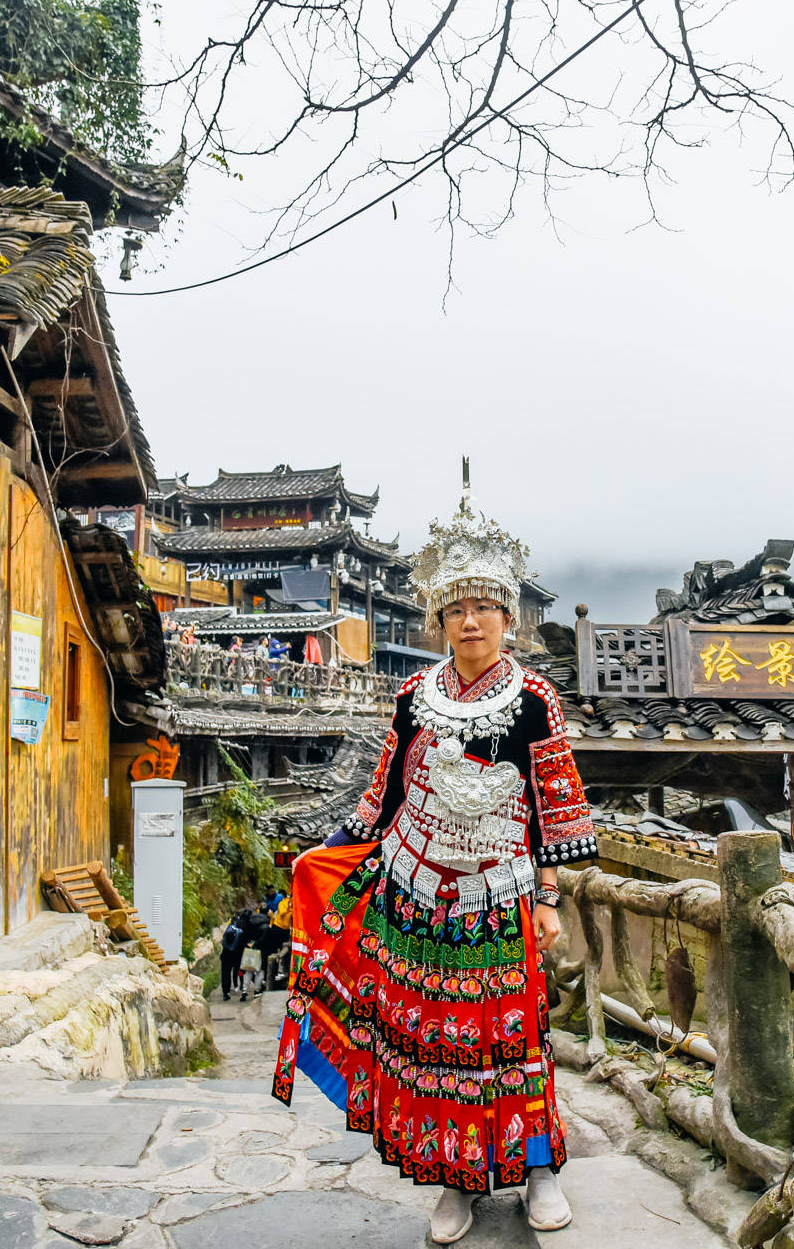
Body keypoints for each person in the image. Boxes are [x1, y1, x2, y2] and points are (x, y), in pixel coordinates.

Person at [274, 499, 594, 1243]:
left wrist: (548, 896)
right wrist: (330, 849)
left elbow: (554, 808)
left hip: (501, 890)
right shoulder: (414, 698)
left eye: (485, 607)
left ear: (508, 617)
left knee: (513, 1037)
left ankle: (537, 1168)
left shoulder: (534, 701)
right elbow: (383, 794)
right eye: (458, 609)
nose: (471, 622)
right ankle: (455, 1179)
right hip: (416, 896)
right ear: (438, 621)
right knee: (437, 1042)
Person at [219, 911, 249, 1002]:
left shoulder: (230, 927)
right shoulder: (243, 929)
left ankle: (226, 993)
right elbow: (245, 943)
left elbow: (224, 941)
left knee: (225, 974)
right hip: (238, 955)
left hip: (226, 955)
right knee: (241, 971)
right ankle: (243, 988)